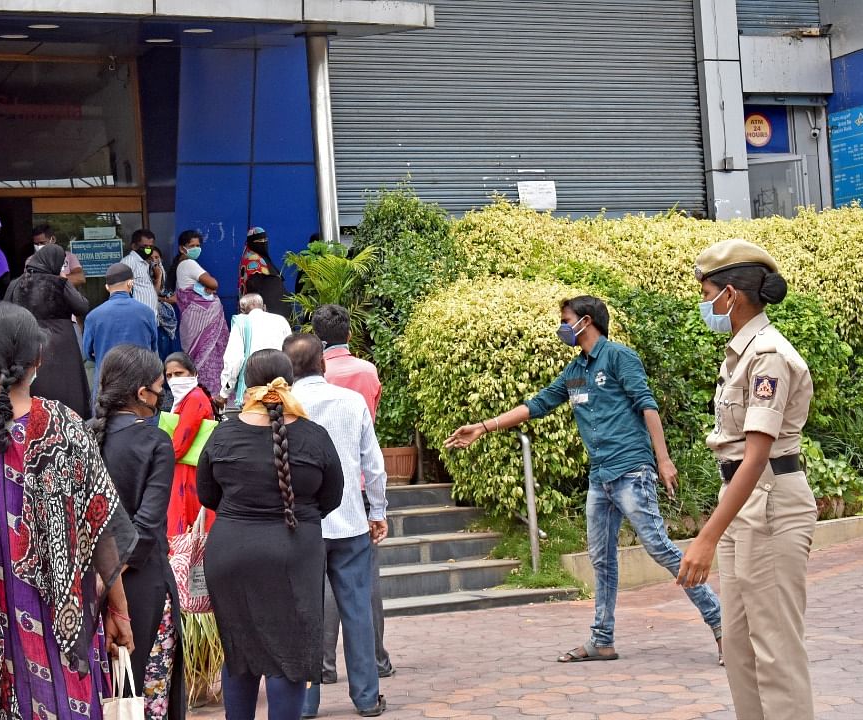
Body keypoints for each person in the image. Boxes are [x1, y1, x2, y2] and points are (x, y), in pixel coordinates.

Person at [445, 295, 723, 664]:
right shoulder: (575, 371)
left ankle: (722, 625)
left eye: (565, 319)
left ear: (585, 321)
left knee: (658, 546)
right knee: (601, 559)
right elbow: (538, 404)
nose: (562, 327)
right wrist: (483, 426)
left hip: (632, 469)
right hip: (601, 477)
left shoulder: (619, 357)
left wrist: (664, 459)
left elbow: (647, 405)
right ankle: (602, 639)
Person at [0, 302, 138, 719]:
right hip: (59, 622)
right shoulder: (64, 425)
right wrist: (118, 611)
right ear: (37, 359)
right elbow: (101, 528)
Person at [676, 239, 817, 720]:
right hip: (741, 500)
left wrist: (705, 538)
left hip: (772, 501)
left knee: (774, 646)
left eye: (706, 292)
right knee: (739, 645)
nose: (703, 303)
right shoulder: (740, 353)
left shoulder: (768, 355)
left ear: (730, 294)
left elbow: (756, 456)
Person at [197, 350, 345, 720]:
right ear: (289, 382)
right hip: (295, 552)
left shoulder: (222, 434)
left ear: (247, 384)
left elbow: (207, 495)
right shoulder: (313, 436)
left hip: (231, 552)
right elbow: (333, 495)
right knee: (289, 656)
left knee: (239, 652)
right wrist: (300, 519)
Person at [283, 334, 388, 719]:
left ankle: (306, 703)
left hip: (302, 526)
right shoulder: (352, 401)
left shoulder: (284, 407)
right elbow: (373, 466)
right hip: (350, 522)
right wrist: (377, 511)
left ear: (287, 368)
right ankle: (366, 697)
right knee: (357, 609)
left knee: (304, 613)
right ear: (322, 365)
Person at [89, 345, 186, 720]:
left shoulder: (82, 437)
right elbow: (145, 529)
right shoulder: (155, 441)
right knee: (146, 697)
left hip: (89, 587)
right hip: (143, 585)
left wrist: (98, 583)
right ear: (141, 393)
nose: (164, 394)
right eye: (161, 386)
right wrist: (110, 581)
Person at [311, 305, 394, 683]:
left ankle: (324, 666)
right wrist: (380, 508)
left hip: (316, 492)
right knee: (364, 582)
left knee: (323, 581)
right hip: (358, 486)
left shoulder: (310, 380)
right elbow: (370, 434)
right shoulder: (366, 371)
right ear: (349, 331)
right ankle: (376, 661)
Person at [5, 243, 92, 418]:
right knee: (67, 389)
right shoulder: (59, 283)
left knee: (35, 386)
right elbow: (82, 307)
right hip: (62, 344)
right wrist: (63, 279)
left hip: (29, 341)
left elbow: (6, 310)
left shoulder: (17, 283)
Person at [164, 352, 218, 536]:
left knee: (184, 526)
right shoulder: (189, 397)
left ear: (193, 373)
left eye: (179, 374)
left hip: (188, 472)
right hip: (188, 468)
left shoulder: (194, 398)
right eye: (169, 376)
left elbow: (179, 445)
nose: (173, 380)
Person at [83, 262, 159, 393]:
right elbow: (153, 348)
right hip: (139, 385)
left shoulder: (93, 316)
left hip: (107, 385)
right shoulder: (147, 313)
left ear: (107, 287)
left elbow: (88, 353)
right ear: (131, 283)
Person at [171, 229, 228, 392]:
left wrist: (204, 287)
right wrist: (208, 286)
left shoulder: (180, 266)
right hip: (205, 322)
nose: (196, 248)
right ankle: (211, 392)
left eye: (198, 245)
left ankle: (201, 392)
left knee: (200, 356)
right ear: (182, 248)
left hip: (194, 323)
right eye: (192, 245)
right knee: (210, 354)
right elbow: (214, 283)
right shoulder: (189, 264)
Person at [217, 294, 292, 409]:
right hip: (280, 385)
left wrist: (224, 393)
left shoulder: (241, 323)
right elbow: (290, 353)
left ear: (241, 310)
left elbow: (234, 362)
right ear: (264, 307)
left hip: (253, 387)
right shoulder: (281, 320)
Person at [238, 226, 289, 317]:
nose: (263, 243)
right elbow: (253, 288)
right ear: (251, 242)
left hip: (278, 310)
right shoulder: (252, 260)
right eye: (259, 241)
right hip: (267, 312)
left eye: (265, 240)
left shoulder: (262, 258)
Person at [27, 223, 86, 288]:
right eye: (36, 244)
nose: (38, 246)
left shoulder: (69, 257)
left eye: (42, 243)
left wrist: (49, 281)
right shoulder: (31, 260)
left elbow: (80, 278)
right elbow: (29, 283)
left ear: (53, 239)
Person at [124, 228, 164, 317]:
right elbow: (121, 290)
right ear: (134, 246)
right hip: (138, 317)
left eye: (150, 247)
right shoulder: (129, 262)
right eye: (145, 246)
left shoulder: (144, 264)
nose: (148, 249)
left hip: (149, 317)